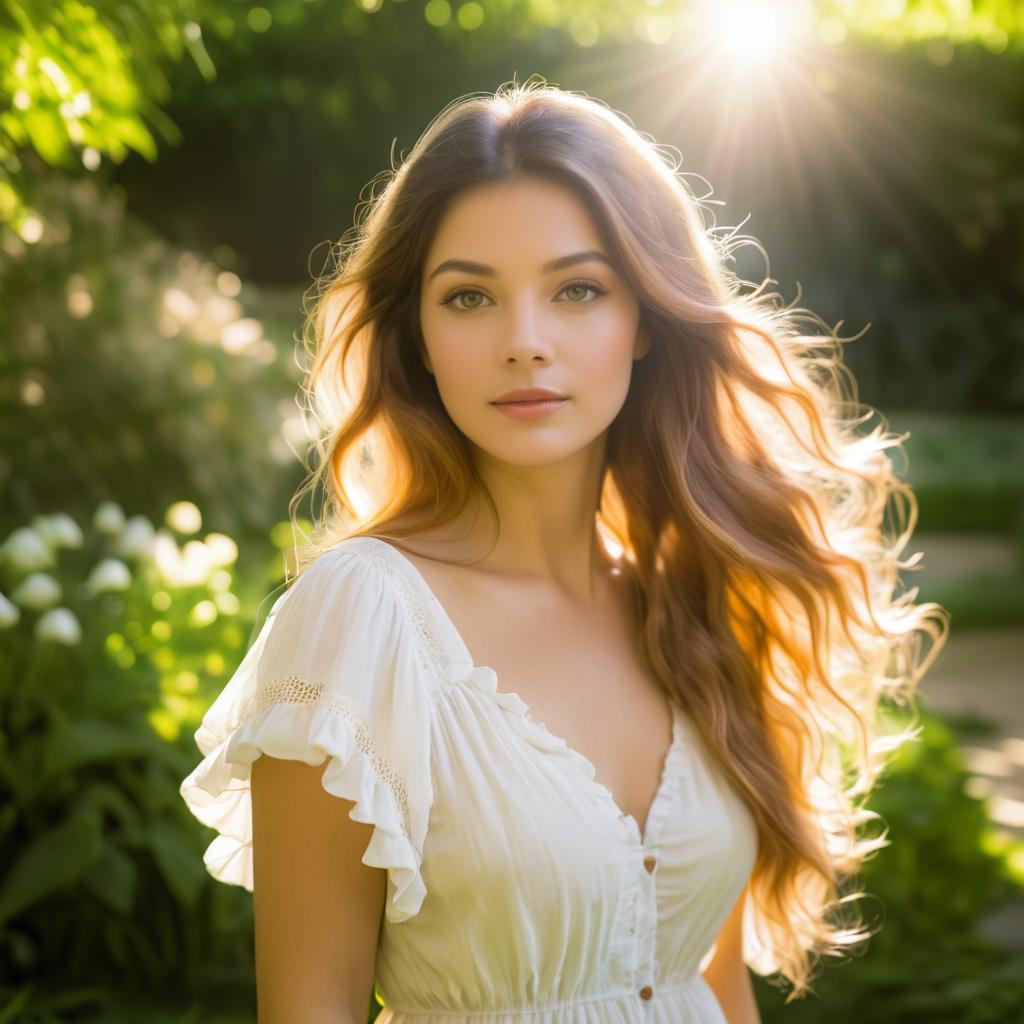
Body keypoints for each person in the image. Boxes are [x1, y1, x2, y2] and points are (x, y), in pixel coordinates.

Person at [179, 77, 948, 1023]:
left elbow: (708, 978)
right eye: (469, 298)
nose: (525, 342)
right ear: (417, 337)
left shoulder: (688, 599)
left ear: (645, 324)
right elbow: (310, 1009)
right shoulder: (366, 617)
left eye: (577, 289)